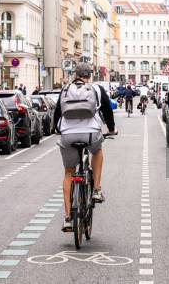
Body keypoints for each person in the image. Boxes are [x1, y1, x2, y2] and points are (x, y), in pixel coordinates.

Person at [53, 63, 117, 232]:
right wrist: (111, 129)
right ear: (90, 75)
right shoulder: (96, 89)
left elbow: (57, 113)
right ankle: (96, 189)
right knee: (97, 151)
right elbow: (107, 110)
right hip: (90, 134)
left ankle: (67, 218)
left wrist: (57, 130)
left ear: (75, 74)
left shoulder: (66, 89)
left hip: (67, 135)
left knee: (68, 172)